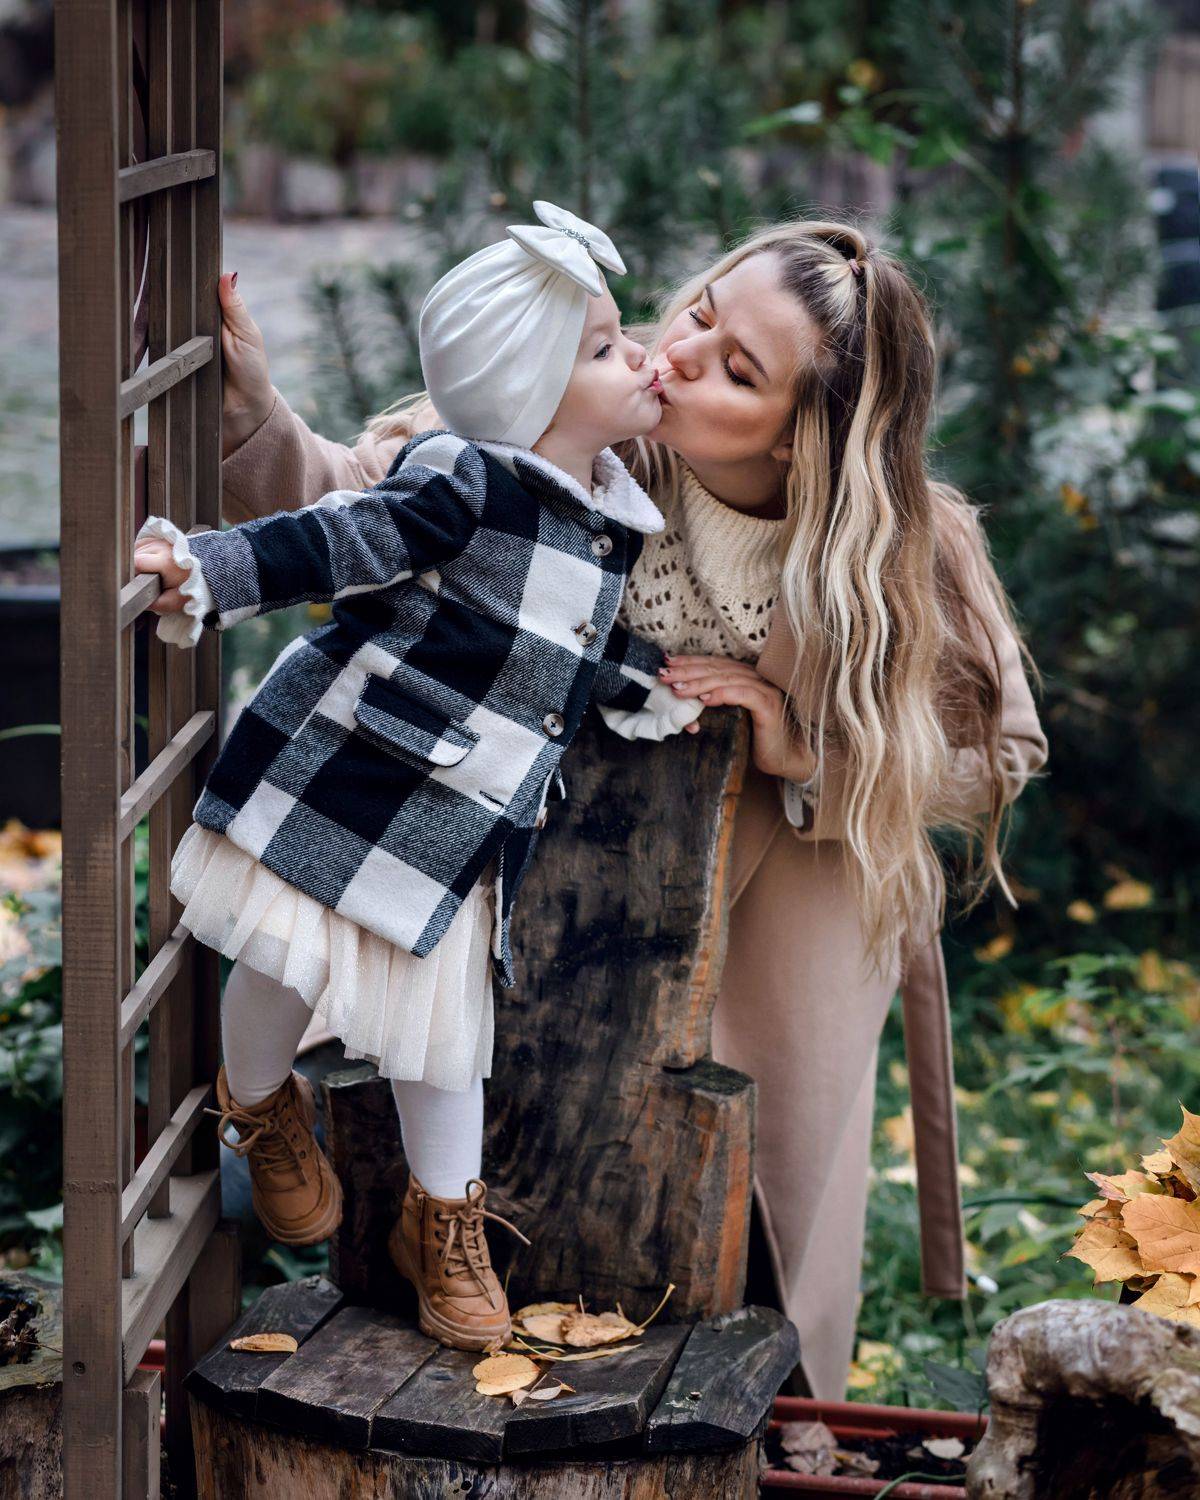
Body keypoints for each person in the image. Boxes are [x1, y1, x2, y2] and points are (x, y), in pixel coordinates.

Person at [211, 216, 1049, 1399]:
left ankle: (768, 1417)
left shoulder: (901, 550)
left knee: (749, 1224)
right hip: (559, 888)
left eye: (737, 368)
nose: (680, 351)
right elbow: (361, 504)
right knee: (510, 1143)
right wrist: (251, 410)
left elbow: (996, 754)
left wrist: (806, 753)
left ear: (803, 436)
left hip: (783, 923)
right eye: (700, 310)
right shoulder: (578, 437)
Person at [132, 202, 703, 1353]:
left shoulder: (607, 515)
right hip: (353, 773)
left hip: (464, 818)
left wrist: (647, 682)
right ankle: (260, 1104)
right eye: (602, 349)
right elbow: (338, 539)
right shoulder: (463, 479)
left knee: (447, 1041)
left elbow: (565, 645)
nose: (641, 355)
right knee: (280, 961)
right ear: (528, 389)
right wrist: (210, 569)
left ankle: (444, 1223)